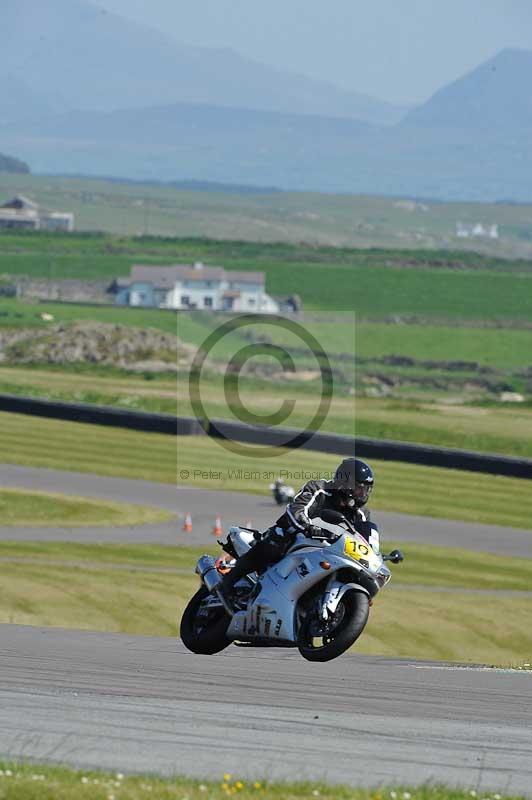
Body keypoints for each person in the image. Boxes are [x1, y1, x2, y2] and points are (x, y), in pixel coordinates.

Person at [217, 457, 380, 612]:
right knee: (278, 539)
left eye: (366, 489)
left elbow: (363, 540)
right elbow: (297, 509)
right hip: (297, 536)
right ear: (345, 484)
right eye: (359, 488)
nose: (362, 494)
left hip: (326, 551)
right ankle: (228, 581)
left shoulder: (361, 514)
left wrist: (374, 556)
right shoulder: (320, 489)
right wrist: (307, 526)